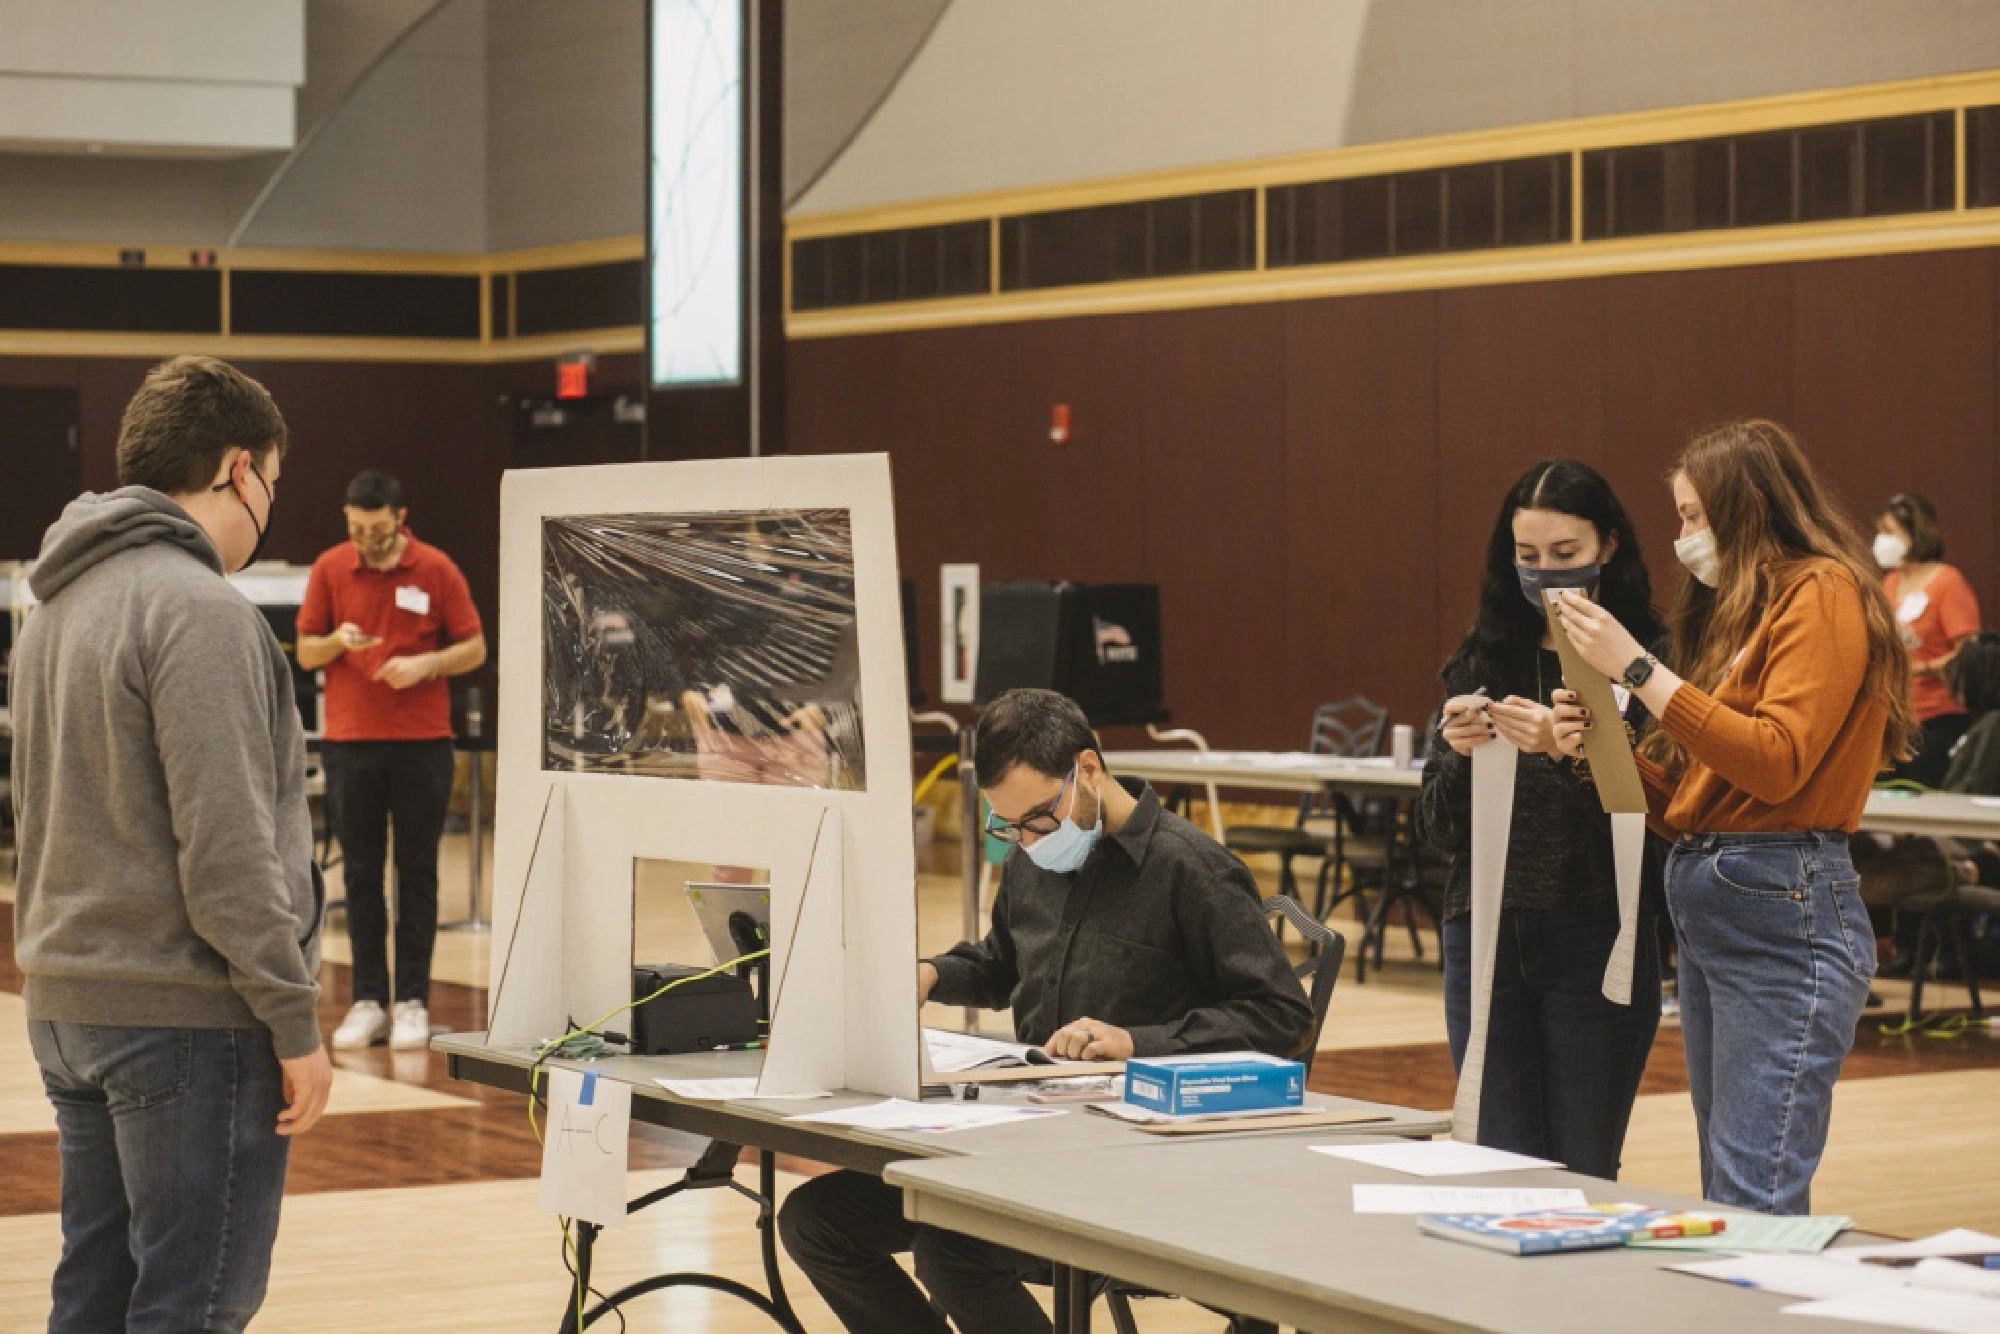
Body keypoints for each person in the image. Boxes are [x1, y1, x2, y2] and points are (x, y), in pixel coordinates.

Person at [778, 688, 1311, 1334]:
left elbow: (1281, 1016)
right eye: (1007, 826)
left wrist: (1137, 1042)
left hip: (1141, 1170)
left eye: (1036, 820)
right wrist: (929, 975)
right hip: (1025, 1146)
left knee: (953, 1248)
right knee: (815, 1222)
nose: (1023, 841)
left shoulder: (1191, 870)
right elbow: (1002, 963)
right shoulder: (1034, 857)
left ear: (1087, 770)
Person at [13, 354, 333, 1332]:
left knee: (96, 1296)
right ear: (240, 468)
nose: (268, 504)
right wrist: (294, 1019)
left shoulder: (56, 607)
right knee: (193, 1306)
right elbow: (228, 849)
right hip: (187, 1014)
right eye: (272, 483)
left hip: (69, 1001)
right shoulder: (199, 611)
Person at [1550, 419, 1912, 1215]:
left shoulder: (1822, 591)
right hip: (1726, 898)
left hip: (1783, 904)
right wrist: (1586, 745)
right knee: (1732, 1190)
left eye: (1690, 515)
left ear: (1745, 508)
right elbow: (1689, 811)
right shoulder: (1751, 610)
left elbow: (1776, 761)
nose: (1680, 535)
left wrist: (1639, 672)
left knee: (1755, 1196)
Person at [1417, 459, 1667, 1179]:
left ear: (1608, 546)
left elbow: (1656, 821)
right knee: (1496, 1167)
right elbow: (1436, 831)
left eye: (1565, 556)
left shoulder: (1649, 659)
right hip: (1486, 931)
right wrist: (1457, 753)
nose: (1546, 574)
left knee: (1585, 1171)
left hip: (1597, 935)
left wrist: (1571, 753)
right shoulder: (1485, 656)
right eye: (1528, 558)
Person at [297, 471, 486, 1050]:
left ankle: (411, 1002)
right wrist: (339, 643)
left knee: (417, 872)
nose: (367, 539)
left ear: (401, 519)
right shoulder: (331, 567)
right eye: (357, 528)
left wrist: (428, 665)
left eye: (377, 530)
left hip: (421, 743)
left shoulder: (435, 568)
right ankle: (367, 999)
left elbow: (474, 647)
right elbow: (306, 651)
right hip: (352, 743)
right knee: (359, 874)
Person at [1875, 493, 1981, 788]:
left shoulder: (1948, 582)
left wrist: (1924, 668)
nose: (1881, 540)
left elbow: (1971, 653)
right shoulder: (1891, 583)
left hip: (1940, 717)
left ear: (1915, 534)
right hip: (1899, 717)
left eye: (1889, 533)